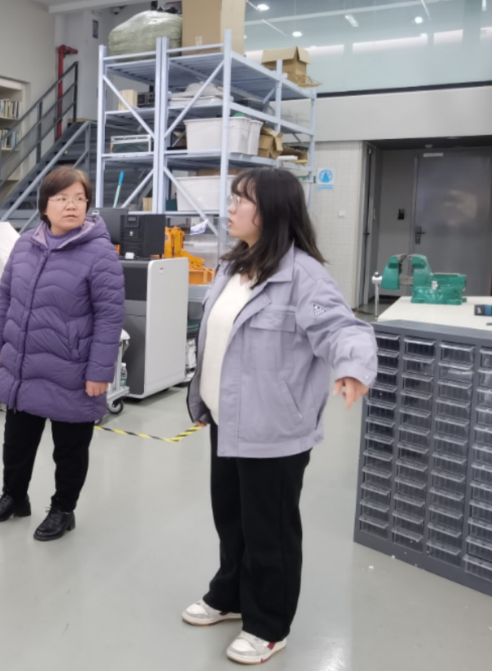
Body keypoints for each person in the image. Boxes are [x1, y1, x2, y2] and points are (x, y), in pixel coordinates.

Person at [185, 168, 378, 665]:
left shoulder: (303, 276)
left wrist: (352, 368)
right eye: (231, 198)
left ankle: (269, 624)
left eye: (241, 200)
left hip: (273, 428)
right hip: (227, 419)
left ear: (271, 211)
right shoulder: (234, 266)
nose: (230, 207)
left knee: (269, 530)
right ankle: (230, 594)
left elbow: (344, 329)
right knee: (231, 518)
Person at [0, 167, 125, 541]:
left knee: (70, 449)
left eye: (79, 199)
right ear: (45, 205)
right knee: (16, 443)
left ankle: (63, 509)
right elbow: (5, 298)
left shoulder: (99, 253)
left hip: (72, 370)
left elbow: (110, 317)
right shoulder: (25, 245)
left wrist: (99, 372)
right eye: (62, 198)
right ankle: (14, 497)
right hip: (23, 365)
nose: (71, 205)